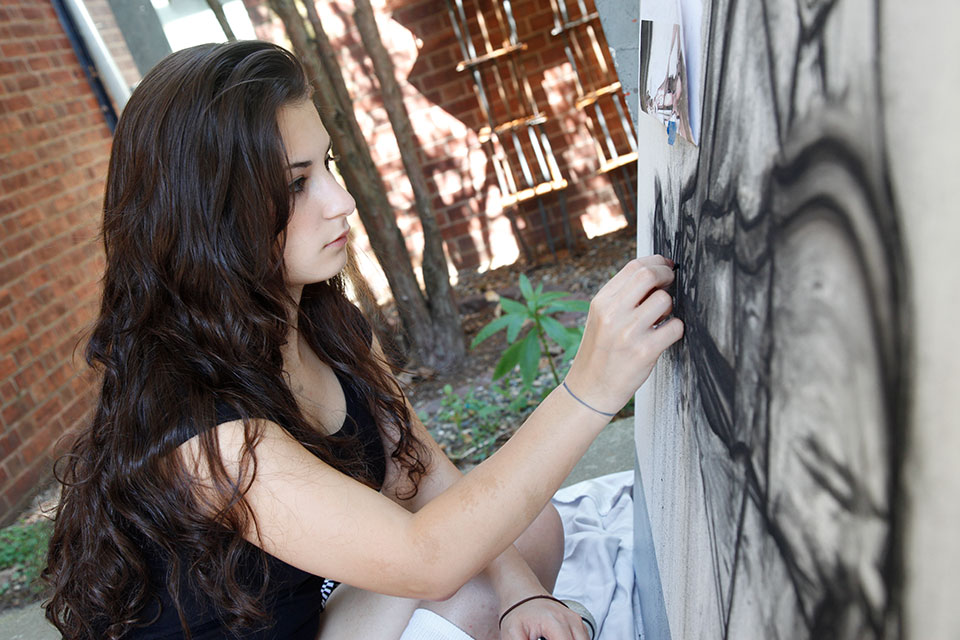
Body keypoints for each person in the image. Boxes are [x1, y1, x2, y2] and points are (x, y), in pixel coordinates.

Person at [43, 41, 682, 640]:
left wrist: (523, 595)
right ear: (209, 213)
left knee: (524, 534)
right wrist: (590, 389)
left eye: (327, 165)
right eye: (296, 184)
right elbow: (425, 558)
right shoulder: (203, 430)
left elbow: (422, 471)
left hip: (320, 617)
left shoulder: (325, 323)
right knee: (463, 568)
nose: (341, 200)